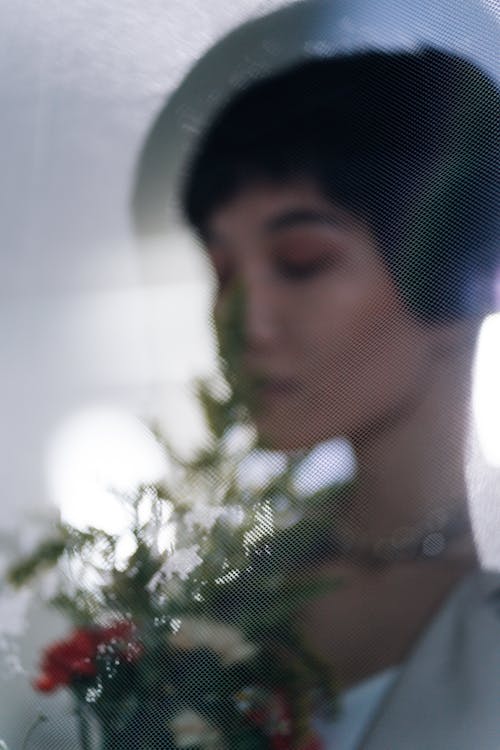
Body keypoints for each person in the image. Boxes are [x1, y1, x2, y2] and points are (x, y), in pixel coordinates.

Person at [144, 47, 500, 748]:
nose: (244, 319)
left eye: (300, 262)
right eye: (221, 270)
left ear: (458, 269)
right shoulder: (228, 590)